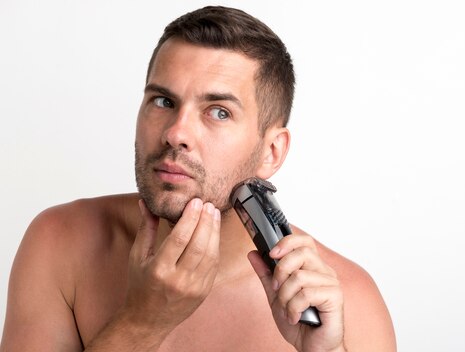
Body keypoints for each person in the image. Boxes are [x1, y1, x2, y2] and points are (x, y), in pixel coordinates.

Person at [0, 5, 396, 351]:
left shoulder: (345, 304)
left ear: (271, 152)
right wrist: (142, 322)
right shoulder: (61, 243)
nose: (176, 132)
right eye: (163, 101)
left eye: (219, 111)